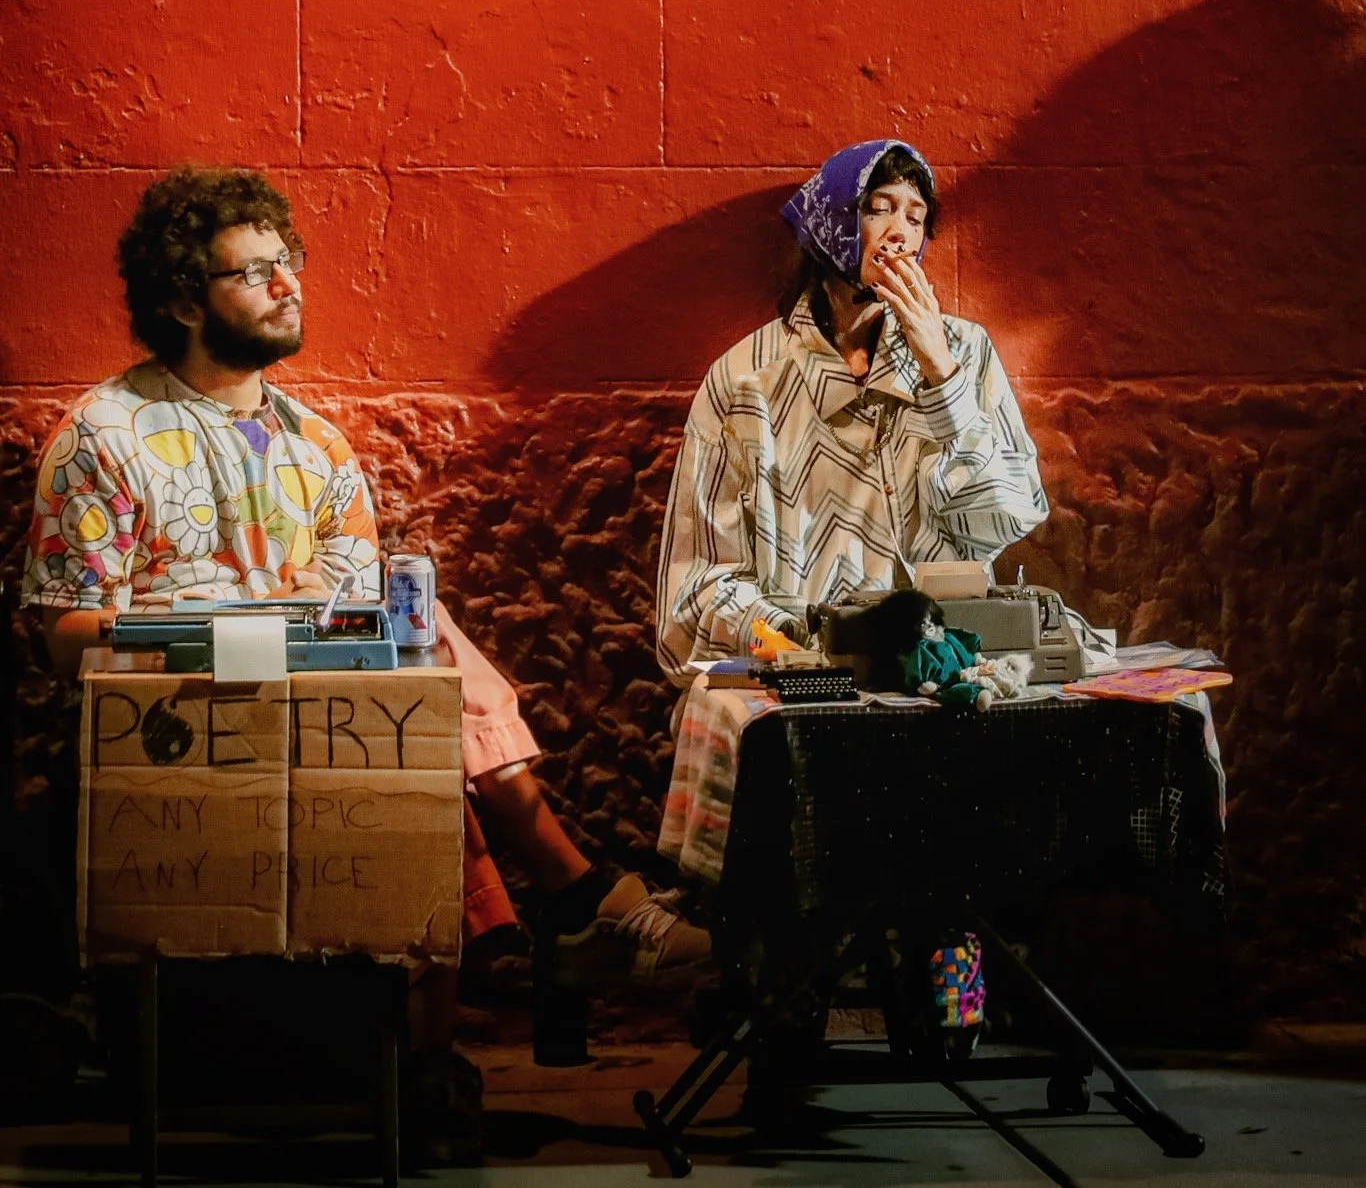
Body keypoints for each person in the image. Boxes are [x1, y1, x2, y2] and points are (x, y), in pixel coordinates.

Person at [22, 167, 708, 1010]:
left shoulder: (317, 445)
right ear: (183, 301)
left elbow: (359, 620)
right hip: (175, 715)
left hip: (323, 709)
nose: (287, 285)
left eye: (289, 260)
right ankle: (572, 898)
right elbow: (63, 639)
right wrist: (207, 623)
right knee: (408, 684)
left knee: (418, 638)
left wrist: (317, 622)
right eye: (252, 272)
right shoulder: (104, 434)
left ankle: (536, 927)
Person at [657, 136, 1049, 680]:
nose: (900, 234)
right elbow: (691, 596)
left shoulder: (966, 354)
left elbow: (1008, 519)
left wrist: (942, 377)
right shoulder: (746, 381)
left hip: (943, 675)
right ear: (831, 225)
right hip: (808, 680)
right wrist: (814, 636)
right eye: (878, 209)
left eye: (916, 218)